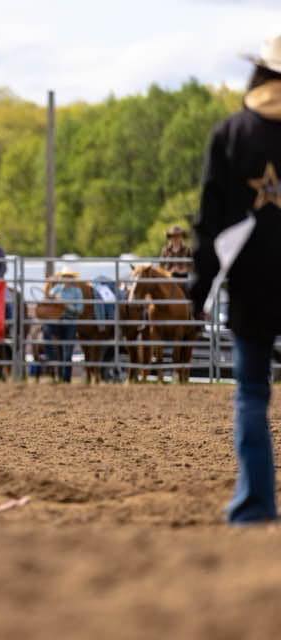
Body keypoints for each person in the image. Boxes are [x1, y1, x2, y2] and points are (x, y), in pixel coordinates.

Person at [191, 34, 281, 525]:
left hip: (252, 281)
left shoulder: (232, 134)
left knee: (250, 391)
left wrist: (199, 287)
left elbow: (210, 222)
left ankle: (255, 508)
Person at [43, 269, 83, 383]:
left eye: (69, 276)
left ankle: (65, 378)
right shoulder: (56, 289)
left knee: (67, 351)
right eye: (65, 276)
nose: (66, 279)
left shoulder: (77, 292)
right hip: (57, 321)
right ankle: (51, 360)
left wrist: (66, 305)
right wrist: (50, 300)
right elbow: (48, 300)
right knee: (46, 331)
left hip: (70, 322)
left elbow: (79, 310)